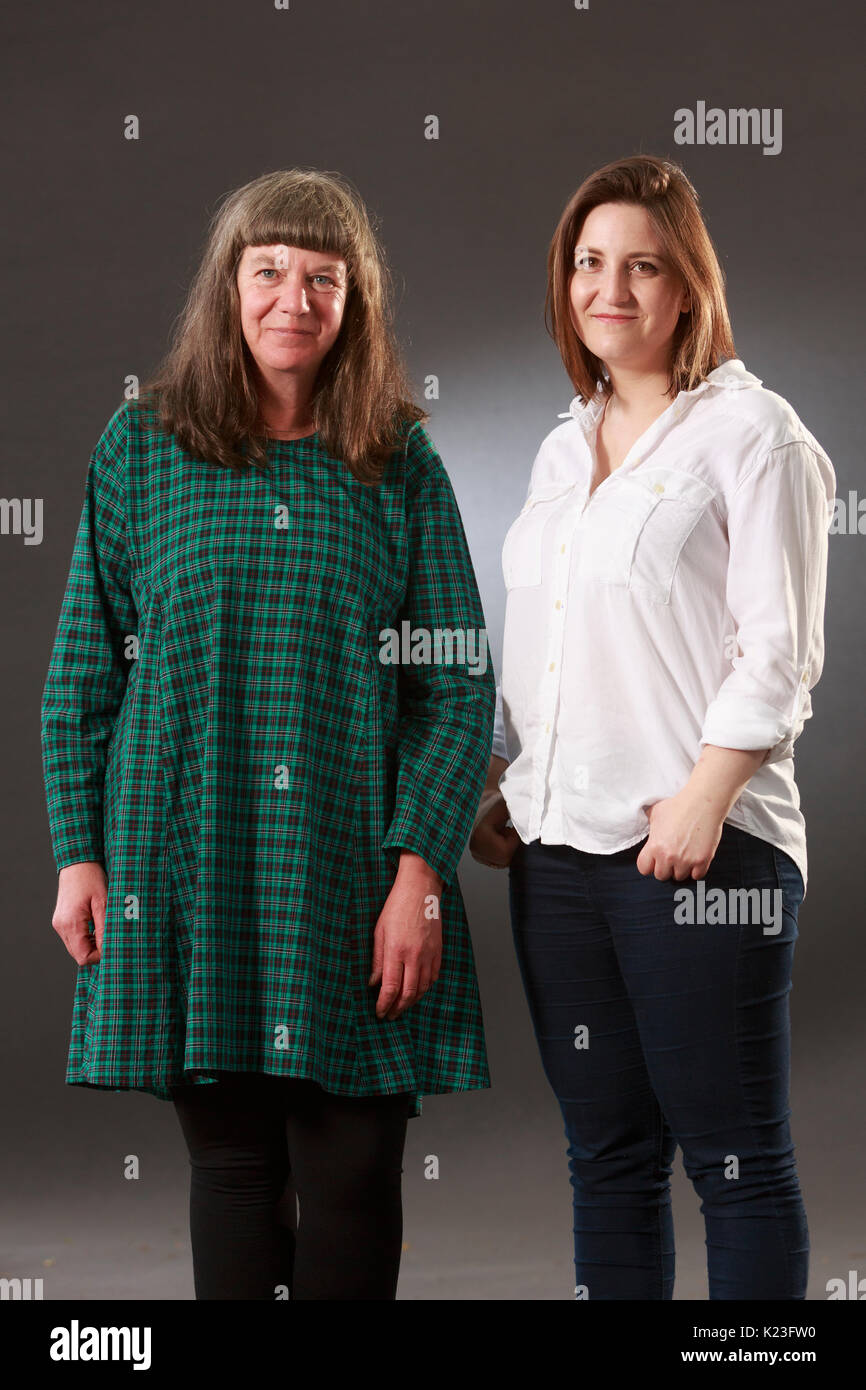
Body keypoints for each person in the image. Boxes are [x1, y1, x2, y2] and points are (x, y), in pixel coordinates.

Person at [41, 167, 496, 1300]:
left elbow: (453, 688)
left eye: (322, 278)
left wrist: (418, 877)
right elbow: (83, 672)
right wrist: (79, 852)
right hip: (183, 862)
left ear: (355, 301)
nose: (293, 298)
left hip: (352, 871)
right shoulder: (140, 446)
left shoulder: (400, 461)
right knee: (234, 1171)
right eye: (268, 272)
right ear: (228, 287)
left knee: (350, 1174)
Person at [471, 154, 835, 1300]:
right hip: (561, 855)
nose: (608, 288)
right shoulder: (552, 448)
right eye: (587, 263)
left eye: (641, 266)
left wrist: (702, 795)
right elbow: (550, 637)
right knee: (608, 1160)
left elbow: (777, 647)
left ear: (688, 288)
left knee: (733, 1161)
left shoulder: (752, 434)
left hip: (698, 849)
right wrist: (509, 785)